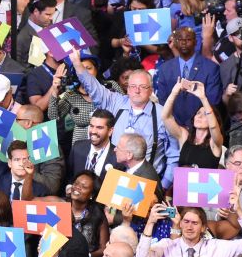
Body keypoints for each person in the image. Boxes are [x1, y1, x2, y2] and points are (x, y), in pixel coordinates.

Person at [69, 48, 177, 189]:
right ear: (127, 88)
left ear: (151, 90)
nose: (137, 90)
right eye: (133, 86)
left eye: (142, 87)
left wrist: (163, 187)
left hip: (144, 184)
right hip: (112, 182)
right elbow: (95, 88)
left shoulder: (163, 115)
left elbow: (174, 155)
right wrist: (78, 64)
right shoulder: (115, 101)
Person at [161, 78, 223, 169]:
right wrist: (174, 93)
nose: (199, 116)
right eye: (198, 113)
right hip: (183, 183)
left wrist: (203, 98)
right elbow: (165, 117)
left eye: (205, 114)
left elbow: (213, 127)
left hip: (205, 183)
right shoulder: (184, 136)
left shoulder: (215, 142)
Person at [68, 170, 109, 257]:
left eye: (84, 186)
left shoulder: (98, 216)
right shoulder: (59, 206)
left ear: (91, 195)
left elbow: (104, 249)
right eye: (76, 183)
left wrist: (88, 256)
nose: (77, 187)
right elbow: (29, 199)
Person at [68, 109, 119, 181]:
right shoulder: (77, 147)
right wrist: (69, 187)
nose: (93, 131)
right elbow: (69, 176)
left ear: (110, 131)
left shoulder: (118, 157)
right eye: (91, 126)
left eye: (99, 127)